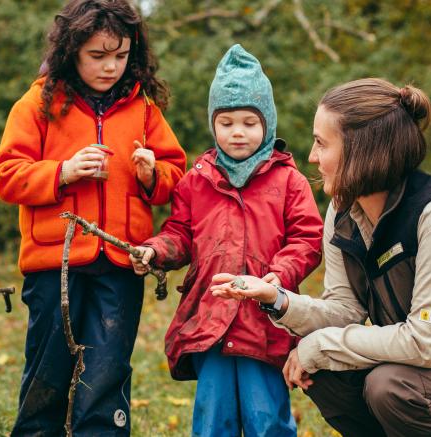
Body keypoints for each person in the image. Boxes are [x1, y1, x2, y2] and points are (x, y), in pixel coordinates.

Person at [210, 78, 431, 437]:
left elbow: (426, 342)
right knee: (326, 371)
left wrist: (320, 345)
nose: (312, 157)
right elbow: (344, 311)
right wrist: (278, 299)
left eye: (322, 143)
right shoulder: (343, 212)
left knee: (389, 386)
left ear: (361, 150)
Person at [0, 0, 187, 434]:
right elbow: (6, 176)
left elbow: (176, 175)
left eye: (121, 56)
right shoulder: (38, 103)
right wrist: (62, 172)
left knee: (107, 373)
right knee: (48, 373)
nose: (111, 67)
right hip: (53, 265)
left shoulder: (143, 108)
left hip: (120, 265)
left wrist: (152, 174)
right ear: (72, 50)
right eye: (97, 55)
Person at [130, 44, 323, 437]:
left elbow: (307, 239)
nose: (237, 132)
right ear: (213, 124)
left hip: (264, 320)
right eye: (227, 122)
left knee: (266, 419)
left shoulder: (289, 181)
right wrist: (155, 250)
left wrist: (280, 275)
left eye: (250, 122)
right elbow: (180, 233)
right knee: (213, 419)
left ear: (267, 123)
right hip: (211, 317)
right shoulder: (196, 181)